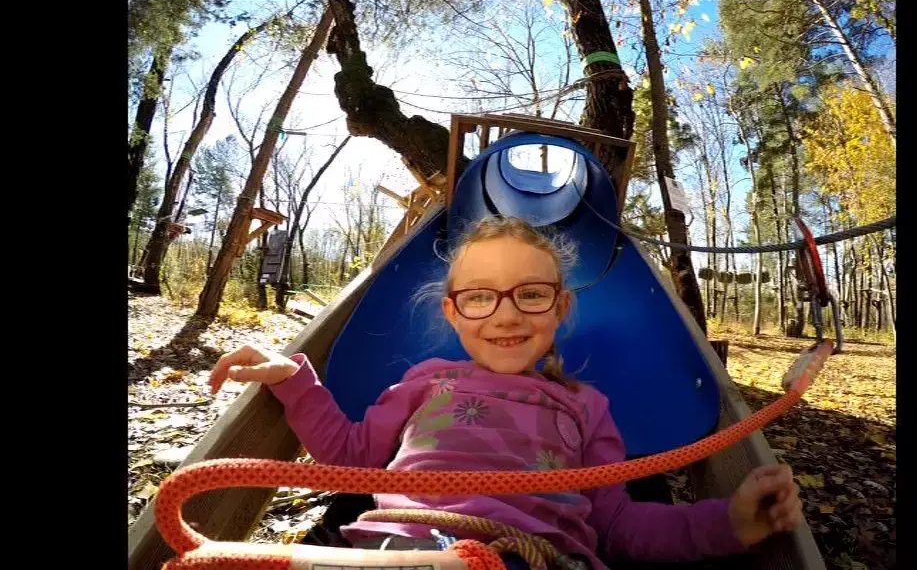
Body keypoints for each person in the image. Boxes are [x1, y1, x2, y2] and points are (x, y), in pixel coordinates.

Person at [209, 216, 803, 570]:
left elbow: (619, 525)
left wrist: (728, 522)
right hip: (403, 546)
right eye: (480, 297)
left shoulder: (583, 406)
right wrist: (292, 377)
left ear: (560, 307)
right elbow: (351, 457)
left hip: (537, 556)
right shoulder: (427, 381)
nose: (507, 314)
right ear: (454, 313)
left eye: (531, 294)